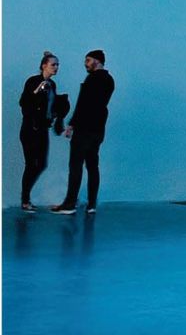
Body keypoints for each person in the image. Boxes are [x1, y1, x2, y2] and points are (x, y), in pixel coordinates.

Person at [51, 50, 115, 215]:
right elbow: (98, 105)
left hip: (84, 129)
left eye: (88, 60)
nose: (85, 64)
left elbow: (84, 104)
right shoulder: (109, 80)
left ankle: (70, 204)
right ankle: (92, 204)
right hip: (98, 129)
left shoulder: (91, 79)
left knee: (75, 166)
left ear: (97, 61)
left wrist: (72, 124)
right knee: (93, 166)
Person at [19, 50, 66, 211]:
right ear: (44, 66)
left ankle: (26, 197)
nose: (56, 67)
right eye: (53, 64)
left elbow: (50, 106)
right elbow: (24, 102)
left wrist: (56, 114)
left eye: (57, 65)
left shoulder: (52, 85)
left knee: (41, 164)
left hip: (43, 129)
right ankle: (25, 199)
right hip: (30, 129)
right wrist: (38, 90)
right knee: (31, 164)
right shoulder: (33, 81)